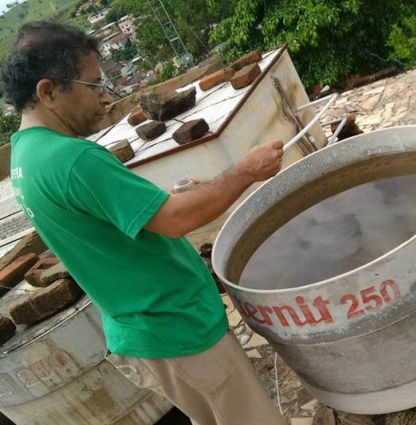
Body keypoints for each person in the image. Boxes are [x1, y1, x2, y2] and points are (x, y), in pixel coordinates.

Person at [0, 22, 287, 425]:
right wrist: (244, 171)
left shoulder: (26, 157)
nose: (104, 99)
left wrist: (170, 198)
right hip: (174, 328)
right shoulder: (73, 159)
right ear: (49, 92)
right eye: (94, 86)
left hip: (141, 330)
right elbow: (174, 222)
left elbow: (111, 221)